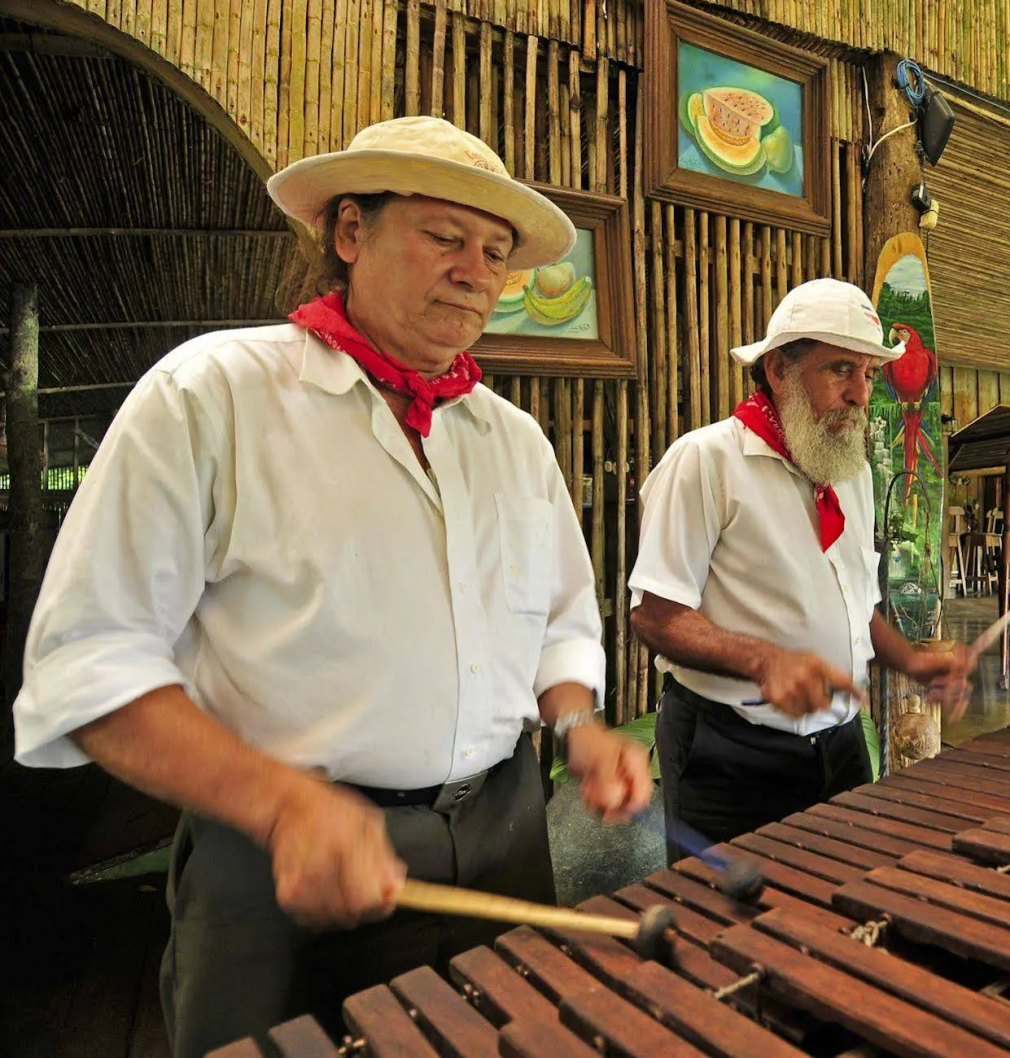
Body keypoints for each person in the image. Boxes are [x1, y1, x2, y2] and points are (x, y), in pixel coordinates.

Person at [10, 116, 652, 1058]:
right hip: (277, 869)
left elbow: (557, 619)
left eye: (495, 251)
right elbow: (87, 659)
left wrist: (580, 724)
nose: (476, 270)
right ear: (350, 233)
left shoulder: (513, 441)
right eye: (445, 237)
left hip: (508, 840)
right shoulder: (212, 394)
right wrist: (282, 803)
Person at [628, 278, 975, 861]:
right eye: (840, 370)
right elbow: (655, 617)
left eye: (867, 374)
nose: (861, 394)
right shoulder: (705, 461)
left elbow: (855, 607)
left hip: (840, 750)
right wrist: (763, 661)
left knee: (848, 909)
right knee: (724, 930)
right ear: (778, 371)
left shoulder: (854, 471)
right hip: (728, 753)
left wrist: (912, 661)